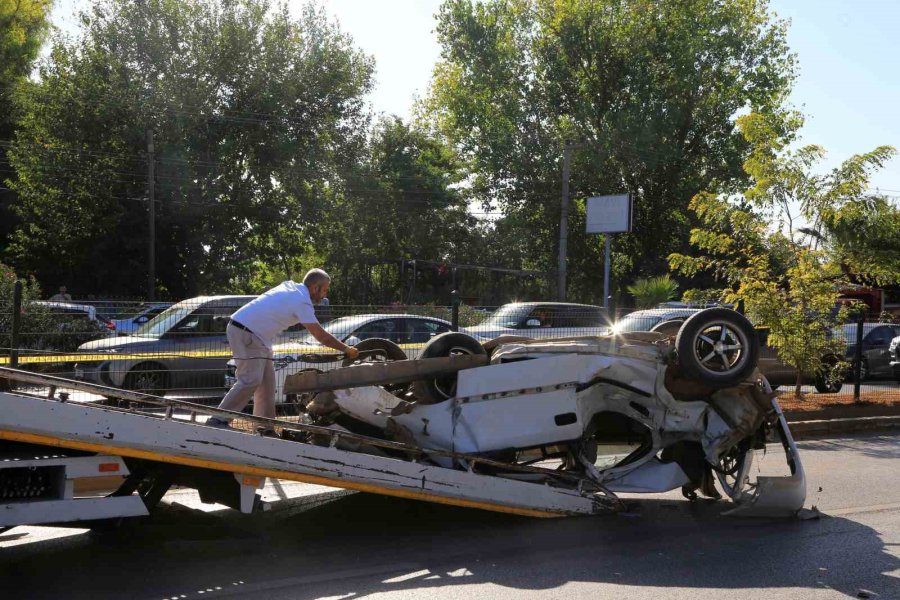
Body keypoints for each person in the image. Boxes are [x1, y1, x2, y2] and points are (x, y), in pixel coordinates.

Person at [207, 269, 359, 432]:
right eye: (324, 290)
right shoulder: (302, 301)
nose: (324, 295)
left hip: (255, 334)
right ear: (314, 287)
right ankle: (218, 418)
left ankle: (265, 428)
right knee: (250, 379)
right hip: (247, 332)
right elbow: (320, 336)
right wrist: (346, 349)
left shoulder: (291, 287)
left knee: (267, 385)